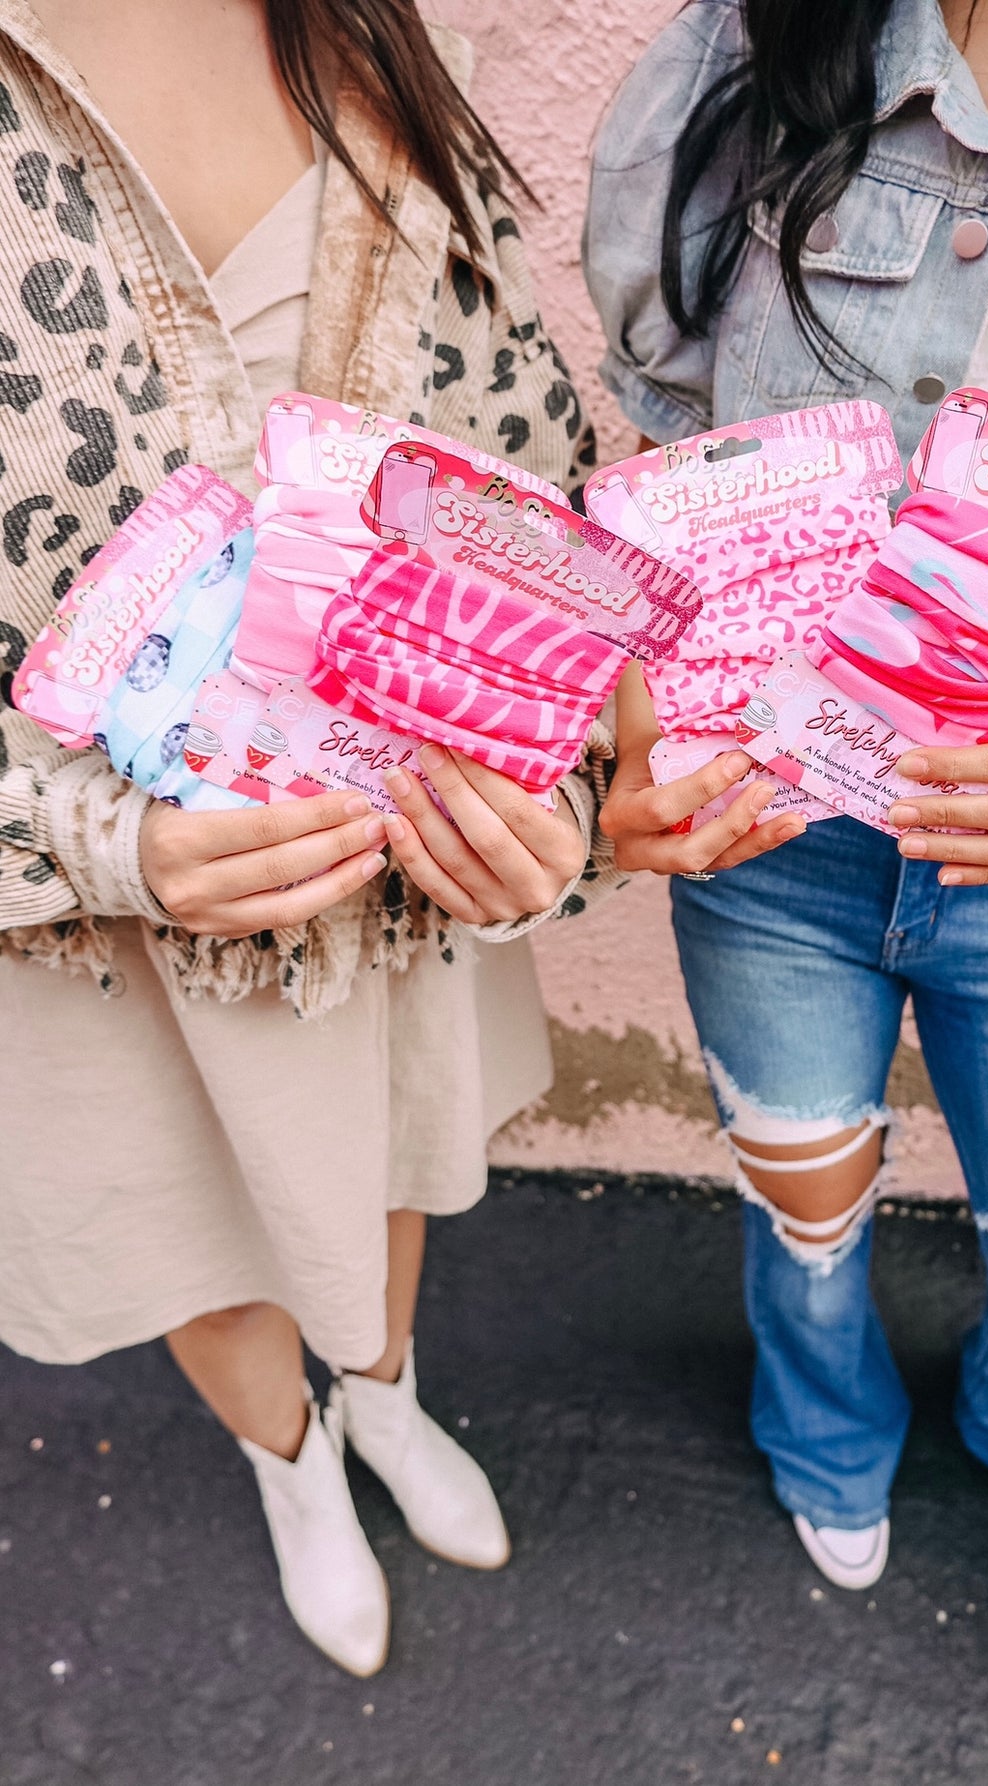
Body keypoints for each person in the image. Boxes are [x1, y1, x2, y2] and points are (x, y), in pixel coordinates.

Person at [0, 0, 616, 1676]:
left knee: (388, 1157)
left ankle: (390, 1395)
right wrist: (97, 839)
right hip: (93, 930)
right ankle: (295, 1472)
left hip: (379, 868)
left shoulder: (369, 40)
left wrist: (549, 787)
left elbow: (525, 493)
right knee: (188, 1211)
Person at [585, 0, 988, 1597]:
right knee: (800, 1193)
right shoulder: (765, 47)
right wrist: (644, 736)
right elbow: (662, 445)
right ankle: (821, 1417)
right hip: (773, 821)